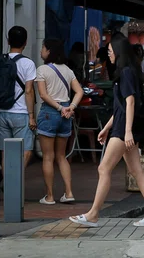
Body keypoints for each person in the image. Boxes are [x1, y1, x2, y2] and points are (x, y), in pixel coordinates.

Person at [69, 34, 144, 228]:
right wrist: (106, 128)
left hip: (123, 129)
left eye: (110, 51)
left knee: (104, 169)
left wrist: (126, 131)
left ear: (118, 52)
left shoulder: (126, 72)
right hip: (122, 126)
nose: (108, 54)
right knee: (137, 171)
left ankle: (93, 214)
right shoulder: (127, 71)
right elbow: (121, 106)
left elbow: (130, 102)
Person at [35, 39, 85, 205]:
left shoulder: (42, 69)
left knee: (48, 157)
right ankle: (69, 192)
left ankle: (49, 196)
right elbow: (79, 91)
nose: (41, 50)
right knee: (61, 156)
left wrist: (58, 108)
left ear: (49, 51)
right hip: (66, 115)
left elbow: (42, 94)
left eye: (43, 47)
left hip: (51, 113)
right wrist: (70, 107)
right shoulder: (68, 70)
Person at [0, 25, 37, 170]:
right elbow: (29, 91)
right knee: (26, 150)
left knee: (6, 152)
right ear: (25, 42)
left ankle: (7, 184)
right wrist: (31, 116)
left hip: (1, 111)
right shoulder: (28, 63)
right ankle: (15, 180)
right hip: (21, 113)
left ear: (8, 41)